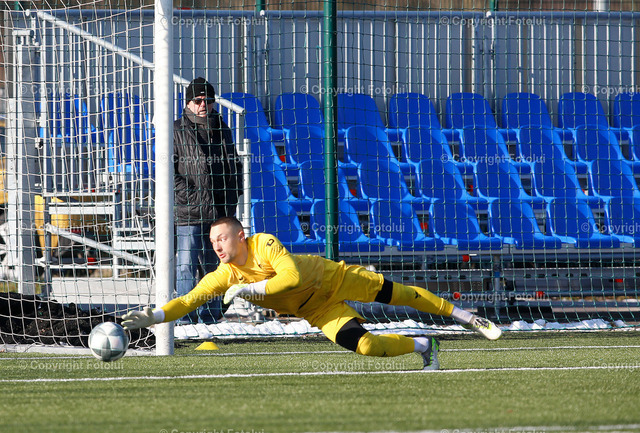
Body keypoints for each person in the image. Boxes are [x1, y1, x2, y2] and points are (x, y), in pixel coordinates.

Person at [124, 217, 501, 370]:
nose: (217, 246)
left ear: (240, 235)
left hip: (334, 279)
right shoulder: (224, 275)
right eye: (212, 242)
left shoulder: (263, 243)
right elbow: (188, 301)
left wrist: (247, 287)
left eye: (222, 238)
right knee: (366, 347)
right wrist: (154, 316)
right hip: (318, 311)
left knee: (398, 295)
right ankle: (425, 346)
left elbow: (289, 278)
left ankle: (467, 316)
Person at [172, 77, 242, 324]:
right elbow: (169, 174)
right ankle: (185, 318)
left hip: (220, 213)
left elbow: (234, 165)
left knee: (217, 267)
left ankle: (211, 316)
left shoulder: (222, 128)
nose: (204, 105)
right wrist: (194, 197)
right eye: (198, 100)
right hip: (189, 212)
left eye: (209, 100)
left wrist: (233, 194)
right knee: (186, 266)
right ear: (188, 102)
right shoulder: (175, 130)